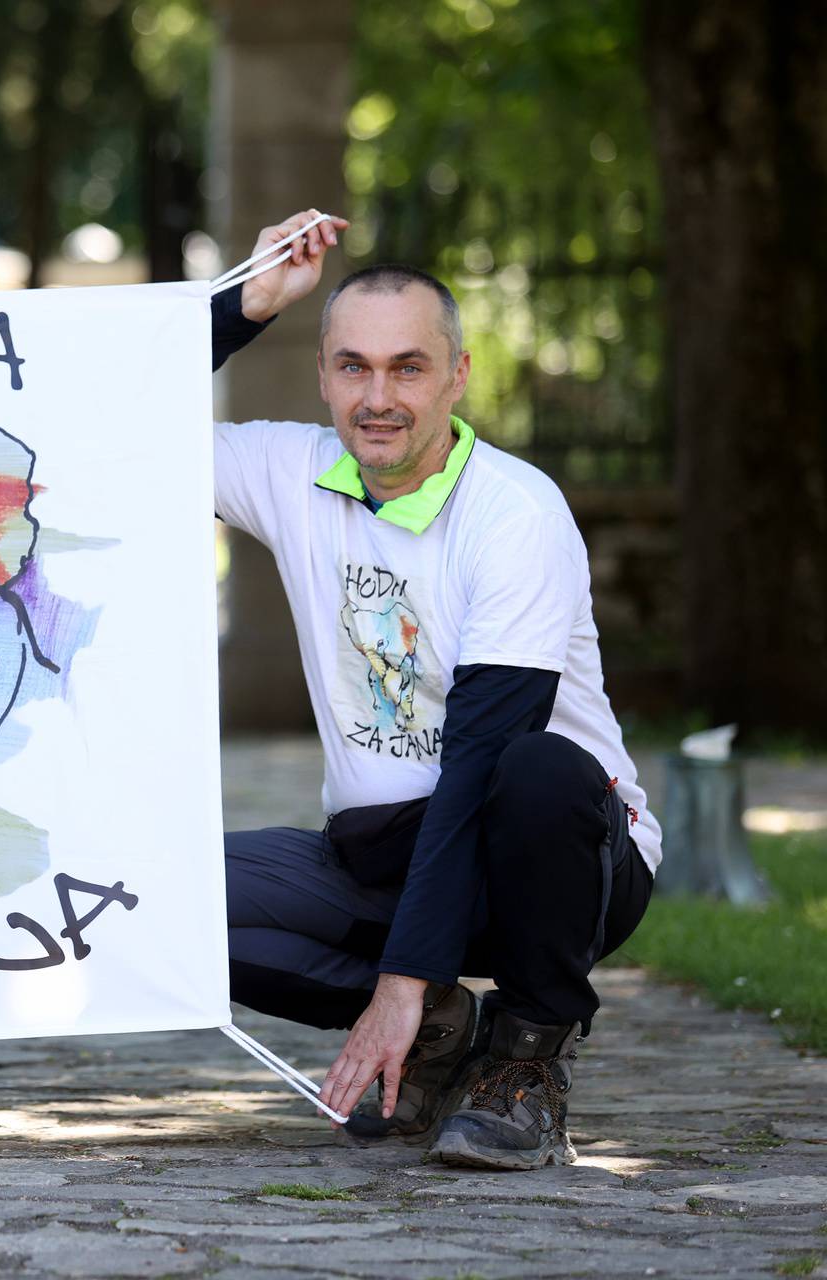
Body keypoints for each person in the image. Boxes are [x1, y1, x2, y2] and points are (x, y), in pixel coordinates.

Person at [208, 212, 661, 1170]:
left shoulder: (515, 512)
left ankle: (528, 1057)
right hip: (382, 855)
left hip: (554, 858)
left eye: (408, 367)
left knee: (538, 771)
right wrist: (237, 307)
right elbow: (104, 434)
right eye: (354, 367)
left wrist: (397, 980)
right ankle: (453, 1034)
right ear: (324, 374)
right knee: (170, 902)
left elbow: (482, 767)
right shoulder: (287, 470)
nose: (379, 397)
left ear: (457, 378)